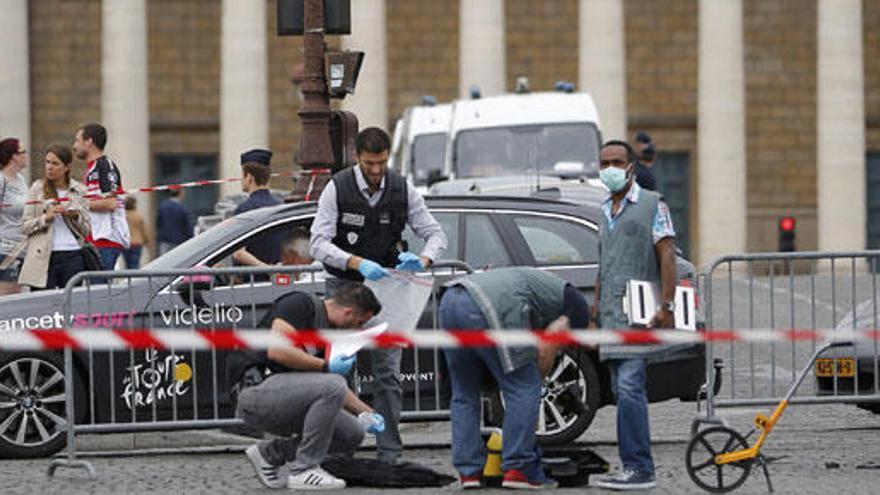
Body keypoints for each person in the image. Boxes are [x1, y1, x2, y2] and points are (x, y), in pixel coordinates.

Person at [310, 126, 447, 464]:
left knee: (387, 373)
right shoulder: (337, 188)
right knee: (341, 371)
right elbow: (318, 243)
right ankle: (341, 449)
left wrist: (424, 259)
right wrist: (355, 261)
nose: (375, 170)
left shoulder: (402, 188)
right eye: (370, 163)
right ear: (358, 157)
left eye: (381, 163)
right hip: (343, 289)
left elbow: (435, 234)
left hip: (387, 291)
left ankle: (389, 452)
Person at [438, 267, 589, 490]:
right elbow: (548, 346)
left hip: (450, 299)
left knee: (465, 393)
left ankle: (469, 472)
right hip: (490, 303)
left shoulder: (546, 288)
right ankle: (520, 468)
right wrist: (531, 394)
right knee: (524, 386)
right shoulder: (579, 310)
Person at [227, 282, 386, 490]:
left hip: (284, 398)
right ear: (349, 312)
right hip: (253, 393)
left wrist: (368, 413)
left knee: (352, 433)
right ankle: (304, 470)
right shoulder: (299, 303)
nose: (358, 329)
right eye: (359, 322)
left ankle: (270, 453)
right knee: (334, 383)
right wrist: (326, 366)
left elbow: (329, 386)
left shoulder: (326, 335)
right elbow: (278, 351)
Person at [590, 140, 677, 491]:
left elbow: (667, 255)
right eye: (604, 162)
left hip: (639, 314)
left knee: (629, 388)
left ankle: (640, 468)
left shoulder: (653, 205)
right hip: (610, 317)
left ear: (630, 167)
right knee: (621, 389)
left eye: (616, 161)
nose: (609, 167)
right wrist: (595, 312)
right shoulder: (602, 210)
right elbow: (603, 264)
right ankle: (632, 465)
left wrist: (667, 305)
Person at [18, 144, 91, 290]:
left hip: (72, 255)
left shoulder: (79, 190)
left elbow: (87, 230)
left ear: (67, 167)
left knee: (71, 305)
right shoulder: (37, 188)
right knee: (43, 307)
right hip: (43, 257)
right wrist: (46, 218)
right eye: (47, 162)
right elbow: (25, 226)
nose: (49, 167)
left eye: (55, 163)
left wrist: (74, 216)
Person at [73, 123, 130, 270]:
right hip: (96, 239)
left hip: (107, 240)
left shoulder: (105, 165)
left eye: (77, 140)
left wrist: (77, 204)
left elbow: (110, 203)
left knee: (99, 290)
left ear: (89, 141)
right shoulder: (91, 168)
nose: (74, 146)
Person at [232, 148, 282, 267]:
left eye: (242, 175)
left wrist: (266, 268)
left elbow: (238, 253)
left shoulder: (244, 209)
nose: (241, 180)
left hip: (253, 280)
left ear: (249, 177)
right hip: (279, 281)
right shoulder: (281, 207)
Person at [0, 138, 29, 295]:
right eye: (23, 152)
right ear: (13, 156)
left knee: (17, 298)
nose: (26, 155)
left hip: (22, 249)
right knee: (7, 300)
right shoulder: (1, 180)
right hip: (5, 249)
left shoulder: (21, 180)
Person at [155, 189, 193, 256]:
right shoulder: (182, 208)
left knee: (164, 261)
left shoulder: (162, 206)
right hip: (178, 240)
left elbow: (158, 223)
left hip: (164, 240)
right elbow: (187, 226)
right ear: (180, 194)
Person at [123, 196, 150, 268]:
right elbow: (144, 230)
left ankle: (129, 278)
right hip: (137, 242)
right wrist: (148, 242)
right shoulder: (138, 216)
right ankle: (135, 278)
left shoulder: (123, 216)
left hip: (126, 242)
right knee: (135, 263)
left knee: (127, 264)